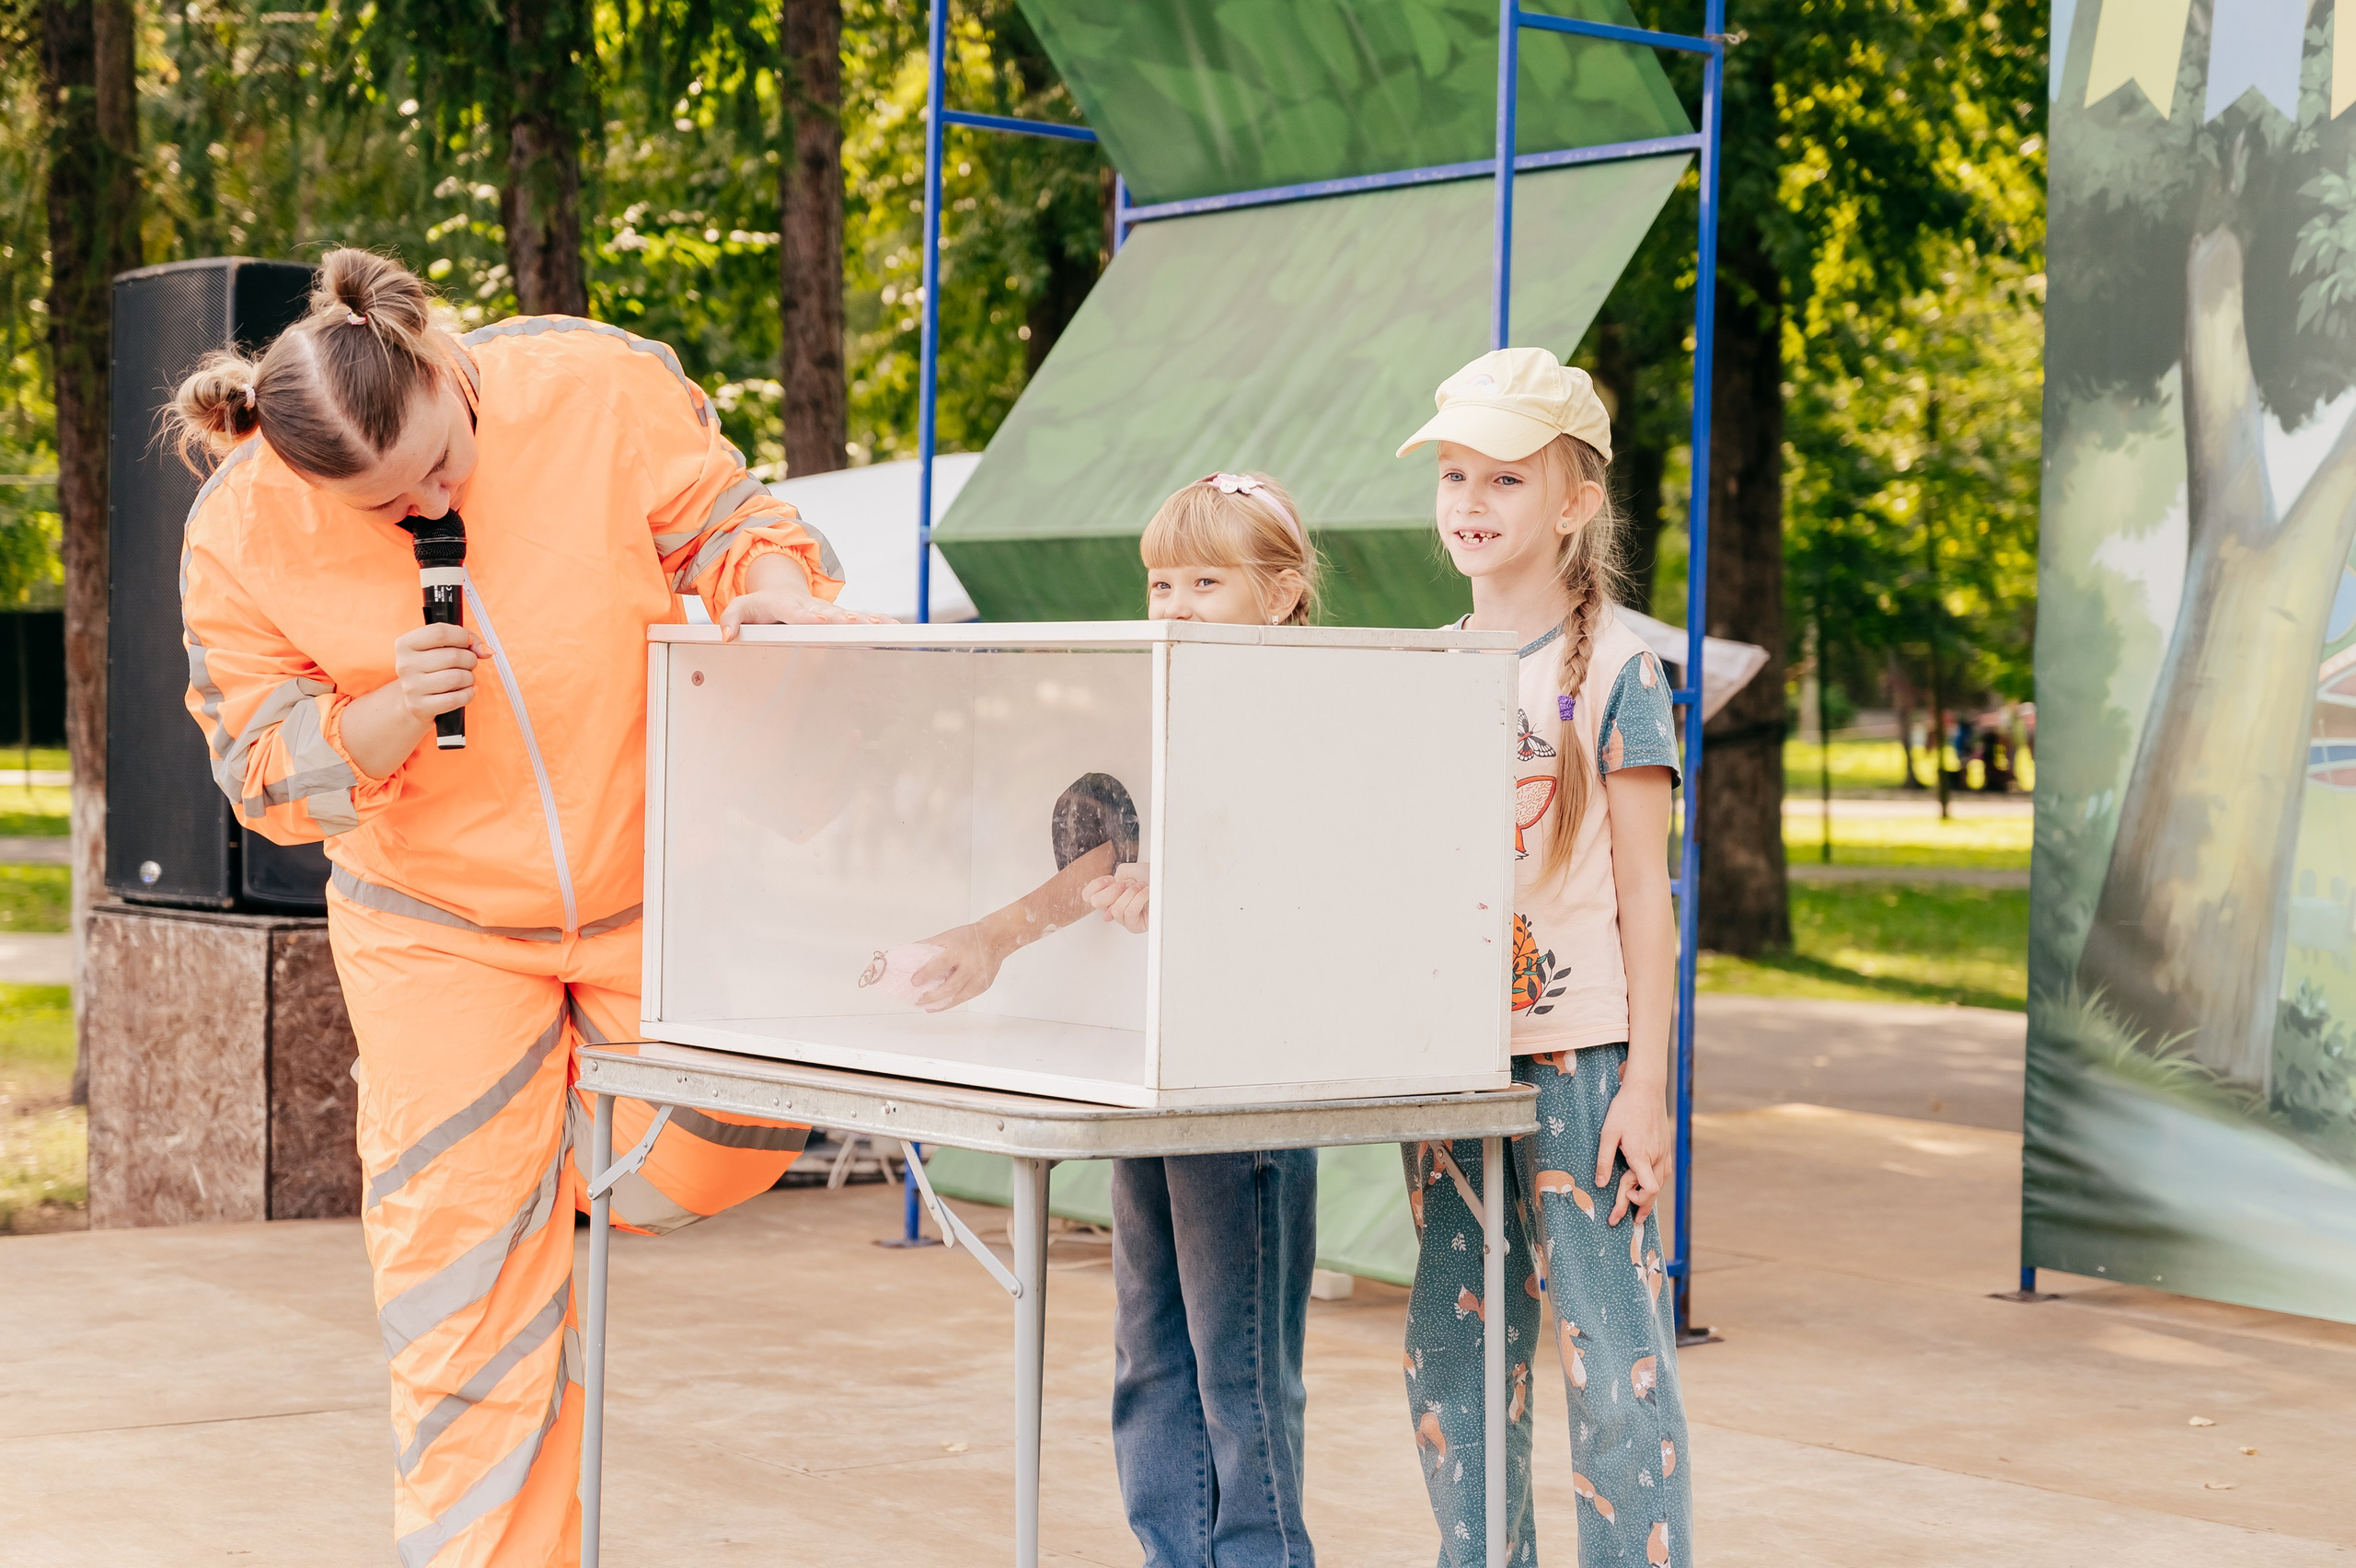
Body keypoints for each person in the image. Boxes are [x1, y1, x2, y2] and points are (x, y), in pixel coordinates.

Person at [167, 249, 886, 1568]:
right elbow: (259, 767)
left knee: (725, 1149)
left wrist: (774, 594)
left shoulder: (591, 382)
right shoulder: (241, 527)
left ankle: (533, 1160)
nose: (433, 504)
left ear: (442, 368)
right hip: (435, 928)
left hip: (651, 883)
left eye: (440, 464)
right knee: (462, 1292)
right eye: (390, 507)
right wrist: (384, 713)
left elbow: (728, 521)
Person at [913, 472, 1323, 1566]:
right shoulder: (1149, 705)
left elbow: (1292, 895)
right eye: (1159, 584)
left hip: (1240, 1086)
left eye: (1206, 583)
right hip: (1147, 1068)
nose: (1175, 604)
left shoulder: (1308, 723)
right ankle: (1169, 1551)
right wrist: (992, 939)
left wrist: (1183, 902)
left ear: (1282, 594)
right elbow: (1105, 855)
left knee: (1238, 1362)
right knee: (1150, 1344)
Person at [1394, 349, 1693, 1567]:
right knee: (1454, 1358)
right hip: (1448, 1067)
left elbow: (1644, 897)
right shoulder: (1420, 666)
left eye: (1505, 478)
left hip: (1583, 1065)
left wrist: (1648, 1088)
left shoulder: (1622, 669)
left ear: (1575, 501)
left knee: (1612, 1366)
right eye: (1454, 475)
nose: (1470, 501)